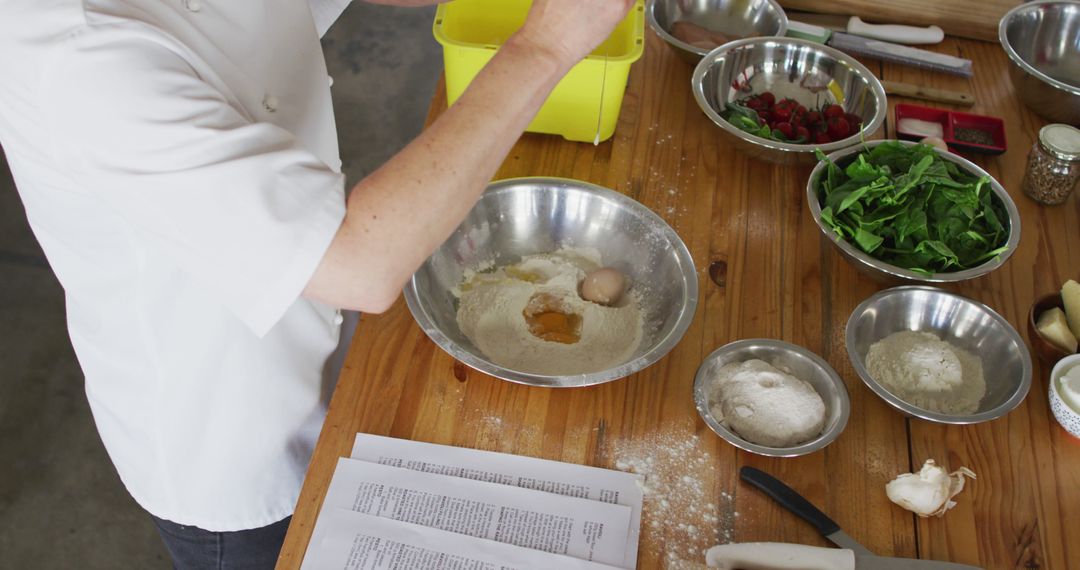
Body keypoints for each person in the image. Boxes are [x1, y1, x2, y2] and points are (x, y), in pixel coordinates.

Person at [0, 0, 635, 567]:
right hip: (231, 432)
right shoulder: (80, 60)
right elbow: (358, 264)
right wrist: (544, 46)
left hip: (318, 338)